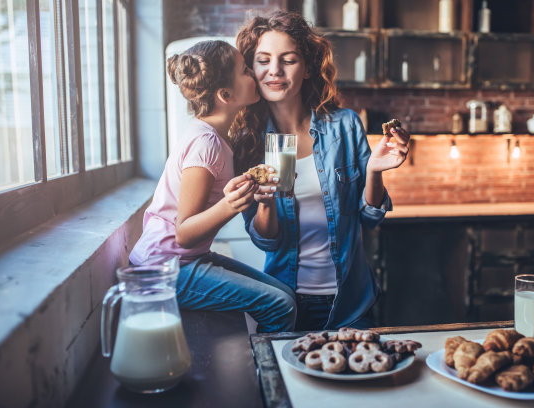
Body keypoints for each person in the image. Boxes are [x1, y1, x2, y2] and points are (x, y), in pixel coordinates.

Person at [232, 11, 410, 331]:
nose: (274, 70)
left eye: (288, 60)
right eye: (263, 60)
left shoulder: (344, 125)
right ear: (250, 68)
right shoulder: (248, 143)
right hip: (283, 303)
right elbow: (267, 242)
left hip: (350, 304)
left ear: (308, 67)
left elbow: (370, 218)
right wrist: (267, 201)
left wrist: (373, 172)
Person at [129, 40, 296, 333]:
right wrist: (231, 204)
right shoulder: (206, 143)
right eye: (246, 70)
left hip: (186, 260)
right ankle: (264, 376)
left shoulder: (215, 139)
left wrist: (250, 191)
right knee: (280, 305)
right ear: (225, 94)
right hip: (164, 269)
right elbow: (184, 233)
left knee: (286, 295)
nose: (255, 75)